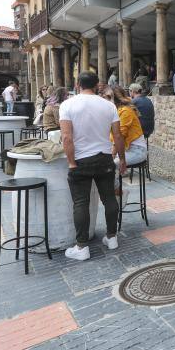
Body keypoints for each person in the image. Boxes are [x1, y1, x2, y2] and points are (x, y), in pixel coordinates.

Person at [59, 71, 126, 261]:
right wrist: (122, 159)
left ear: (77, 83)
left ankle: (82, 247)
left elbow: (66, 137)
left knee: (81, 203)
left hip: (81, 160)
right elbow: (118, 136)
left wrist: (71, 161)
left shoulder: (67, 105)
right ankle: (112, 237)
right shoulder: (108, 105)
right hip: (104, 158)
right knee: (109, 199)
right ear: (97, 85)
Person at [101, 86, 147, 171]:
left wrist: (113, 155)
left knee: (108, 166)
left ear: (113, 98)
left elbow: (119, 136)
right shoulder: (115, 111)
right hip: (124, 149)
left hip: (136, 150)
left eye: (105, 98)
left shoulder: (125, 111)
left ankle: (114, 184)